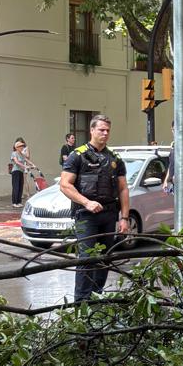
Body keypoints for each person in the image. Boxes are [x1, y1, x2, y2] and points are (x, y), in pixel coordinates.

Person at [59, 114, 131, 303]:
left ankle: (96, 297)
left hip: (109, 214)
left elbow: (123, 189)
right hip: (86, 215)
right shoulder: (78, 155)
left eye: (108, 130)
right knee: (86, 258)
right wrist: (86, 202)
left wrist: (125, 218)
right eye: (101, 130)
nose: (105, 133)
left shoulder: (114, 158)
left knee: (105, 257)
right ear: (92, 130)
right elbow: (65, 185)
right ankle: (82, 302)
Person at [9, 138, 38, 208]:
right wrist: (25, 166)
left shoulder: (22, 154)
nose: (22, 147)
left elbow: (26, 160)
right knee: (16, 187)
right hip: (15, 172)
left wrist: (33, 165)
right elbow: (17, 162)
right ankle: (14, 202)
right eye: (21, 146)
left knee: (20, 187)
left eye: (22, 146)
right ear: (17, 147)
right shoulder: (14, 153)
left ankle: (18, 202)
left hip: (21, 171)